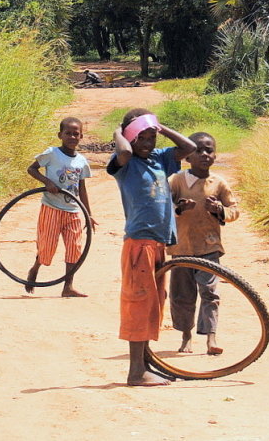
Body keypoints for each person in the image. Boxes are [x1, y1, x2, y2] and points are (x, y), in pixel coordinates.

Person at [106, 108, 196, 386]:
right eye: (140, 137)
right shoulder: (125, 164)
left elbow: (189, 147)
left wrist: (159, 126)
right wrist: (119, 132)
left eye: (150, 137)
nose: (147, 143)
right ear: (130, 138)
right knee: (139, 304)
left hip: (158, 243)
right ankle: (135, 371)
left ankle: (146, 365)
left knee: (153, 304)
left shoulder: (159, 159)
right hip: (139, 242)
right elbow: (123, 153)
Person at [166, 132, 239, 356]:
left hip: (209, 248)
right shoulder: (176, 180)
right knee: (182, 296)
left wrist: (219, 210)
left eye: (209, 150)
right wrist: (179, 209)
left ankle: (211, 338)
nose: (204, 154)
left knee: (210, 293)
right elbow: (163, 208)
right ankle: (186, 335)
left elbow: (234, 210)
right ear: (187, 156)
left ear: (215, 155)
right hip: (181, 250)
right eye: (198, 150)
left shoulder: (218, 183)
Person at [26, 117, 97, 297]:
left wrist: (88, 214)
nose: (72, 137)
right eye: (68, 133)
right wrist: (47, 182)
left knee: (75, 247)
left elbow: (82, 188)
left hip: (73, 210)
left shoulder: (82, 161)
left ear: (81, 136)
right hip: (51, 207)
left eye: (76, 134)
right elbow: (32, 169)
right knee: (47, 247)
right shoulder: (52, 154)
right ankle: (35, 268)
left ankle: (68, 287)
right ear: (60, 135)